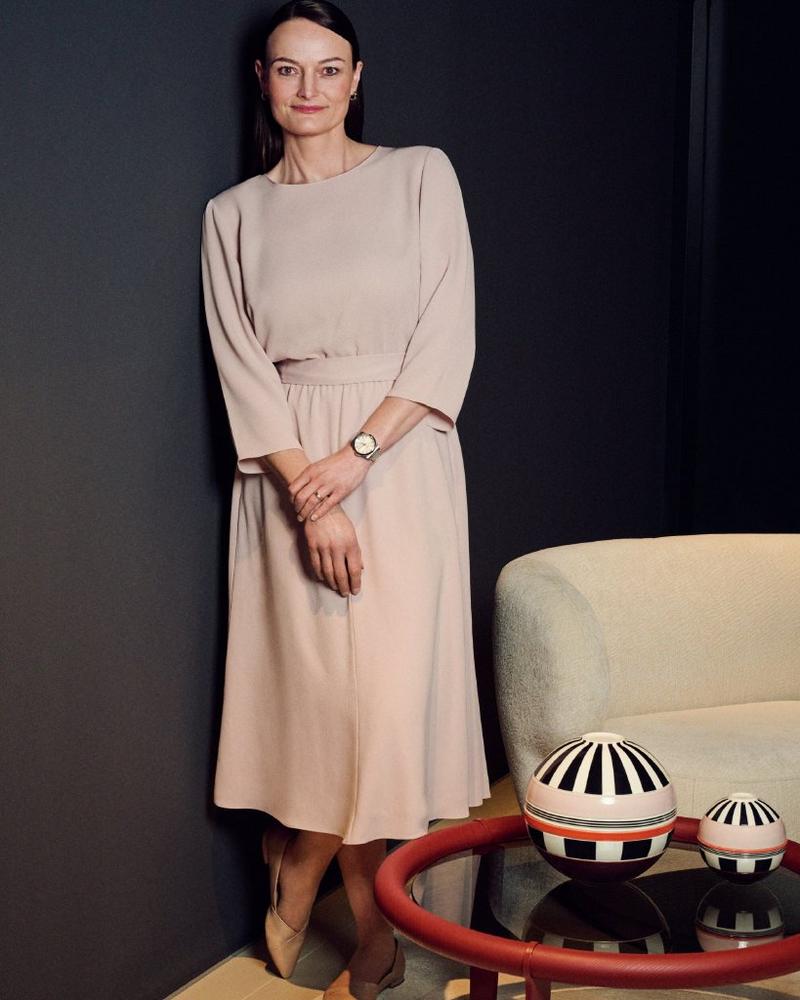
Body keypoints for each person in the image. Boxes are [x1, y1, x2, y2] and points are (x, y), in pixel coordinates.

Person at [200, 2, 490, 997]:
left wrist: (357, 457)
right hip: (289, 474)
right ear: (263, 81)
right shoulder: (234, 215)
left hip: (400, 462)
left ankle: (301, 863)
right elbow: (241, 368)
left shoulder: (420, 175)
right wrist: (310, 495)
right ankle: (368, 927)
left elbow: (446, 335)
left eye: (329, 68)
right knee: (328, 708)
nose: (310, 89)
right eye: (289, 69)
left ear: (357, 78)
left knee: (388, 707)